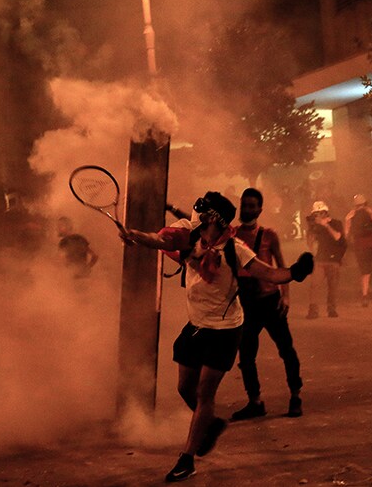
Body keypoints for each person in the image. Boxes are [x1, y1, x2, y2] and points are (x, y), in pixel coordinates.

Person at [121, 191, 314, 482]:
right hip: (196, 325)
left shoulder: (236, 250)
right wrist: (134, 235)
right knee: (184, 388)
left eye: (202, 210)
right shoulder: (190, 236)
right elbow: (160, 241)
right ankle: (210, 425)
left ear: (213, 218)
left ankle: (187, 459)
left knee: (204, 393)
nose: (196, 213)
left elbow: (270, 274)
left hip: (224, 330)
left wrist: (296, 272)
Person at [231, 188, 303, 421]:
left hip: (270, 300)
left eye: (252, 205)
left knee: (286, 350)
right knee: (246, 355)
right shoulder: (232, 235)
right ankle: (255, 401)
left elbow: (282, 267)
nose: (247, 209)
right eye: (245, 205)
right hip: (246, 303)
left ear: (260, 209)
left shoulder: (269, 235)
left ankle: (295, 396)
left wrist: (286, 296)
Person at [306, 201, 346, 318]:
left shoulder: (336, 223)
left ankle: (331, 309)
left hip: (333, 260)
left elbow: (337, 237)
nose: (316, 217)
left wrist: (326, 225)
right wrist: (311, 230)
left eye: (317, 214)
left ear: (324, 213)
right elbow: (310, 244)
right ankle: (313, 311)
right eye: (314, 214)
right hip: (319, 259)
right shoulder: (315, 226)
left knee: (332, 286)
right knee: (314, 285)